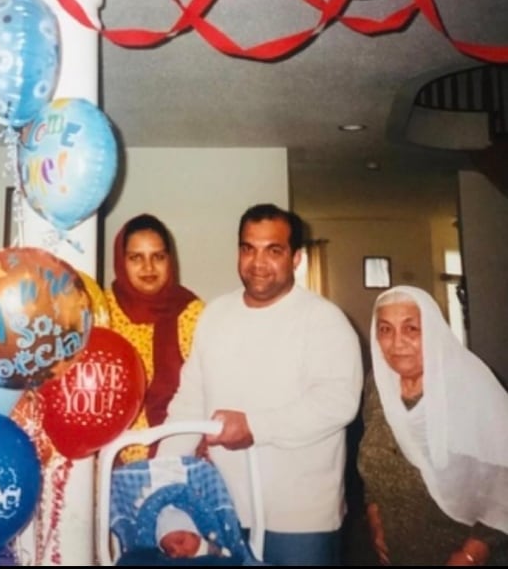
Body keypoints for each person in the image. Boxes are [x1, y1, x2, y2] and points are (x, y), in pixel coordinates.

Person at [158, 203, 363, 565]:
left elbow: (337, 402)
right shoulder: (215, 315)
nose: (258, 262)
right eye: (248, 248)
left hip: (301, 519)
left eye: (274, 250)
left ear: (296, 258)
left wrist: (255, 426)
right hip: (223, 509)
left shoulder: (324, 320)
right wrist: (164, 480)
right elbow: (190, 398)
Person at [357, 285, 508, 566]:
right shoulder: (379, 387)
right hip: (397, 552)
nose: (397, 342)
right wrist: (375, 516)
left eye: (411, 329)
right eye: (386, 330)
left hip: (461, 553)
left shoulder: (469, 388)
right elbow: (372, 460)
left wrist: (472, 554)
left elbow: (503, 484)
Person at [106, 213, 205, 463]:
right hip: (109, 459)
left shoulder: (191, 312)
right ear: (121, 260)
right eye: (136, 258)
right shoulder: (102, 311)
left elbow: (206, 391)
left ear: (170, 260)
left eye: (158, 257)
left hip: (175, 453)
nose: (148, 268)